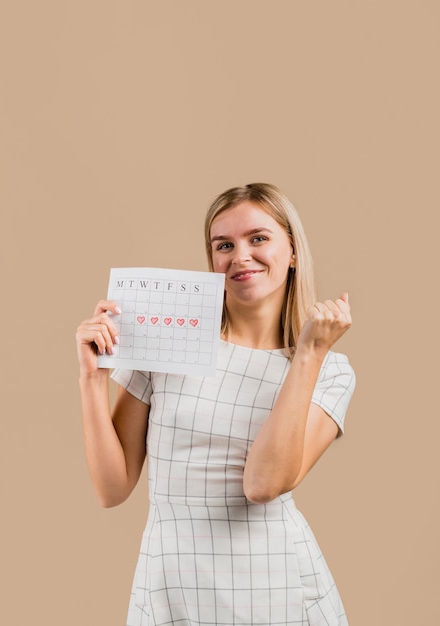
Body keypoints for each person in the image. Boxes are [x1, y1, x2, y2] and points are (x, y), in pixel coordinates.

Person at [76, 183, 356, 625]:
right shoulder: (167, 341)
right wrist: (92, 379)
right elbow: (112, 490)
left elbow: (263, 485)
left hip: (275, 583)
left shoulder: (330, 369)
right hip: (171, 583)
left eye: (258, 238)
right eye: (224, 245)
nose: (240, 255)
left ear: (293, 251)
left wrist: (307, 354)